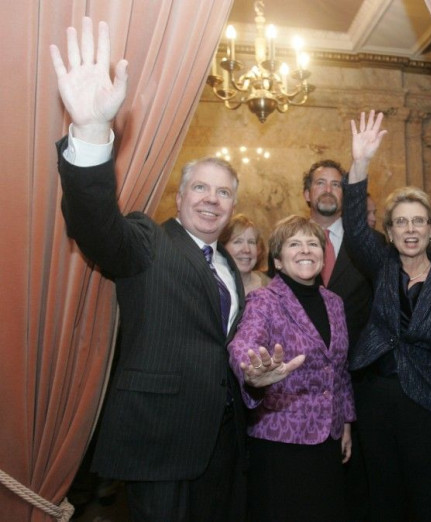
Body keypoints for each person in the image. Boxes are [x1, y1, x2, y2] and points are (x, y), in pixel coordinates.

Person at [50, 18, 302, 521]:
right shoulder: (147, 241)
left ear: (234, 205)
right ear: (181, 196)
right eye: (201, 188)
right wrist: (93, 132)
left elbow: (222, 343)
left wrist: (255, 377)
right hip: (160, 437)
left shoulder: (231, 263)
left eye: (223, 192)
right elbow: (94, 225)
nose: (212, 200)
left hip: (225, 442)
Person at [342, 110, 431, 521]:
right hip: (374, 394)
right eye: (401, 222)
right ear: (389, 232)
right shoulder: (381, 266)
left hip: (424, 401)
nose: (410, 229)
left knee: (425, 496)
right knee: (383, 494)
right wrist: (361, 164)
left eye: (419, 221)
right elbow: (354, 229)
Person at [229, 215, 355, 521]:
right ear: (278, 260)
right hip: (280, 443)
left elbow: (339, 368)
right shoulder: (264, 300)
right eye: (294, 244)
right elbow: (242, 345)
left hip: (328, 438)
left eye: (313, 243)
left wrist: (347, 420)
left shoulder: (334, 302)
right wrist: (252, 372)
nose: (306, 250)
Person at [302, 158, 379, 520]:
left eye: (337, 184)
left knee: (361, 478)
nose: (329, 189)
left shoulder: (371, 245)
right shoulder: (288, 245)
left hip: (362, 382)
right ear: (307, 193)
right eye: (321, 183)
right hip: (302, 386)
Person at [220, 213, 271, 295]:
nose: (247, 250)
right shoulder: (213, 286)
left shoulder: (271, 287)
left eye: (251, 242)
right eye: (238, 242)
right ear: (223, 247)